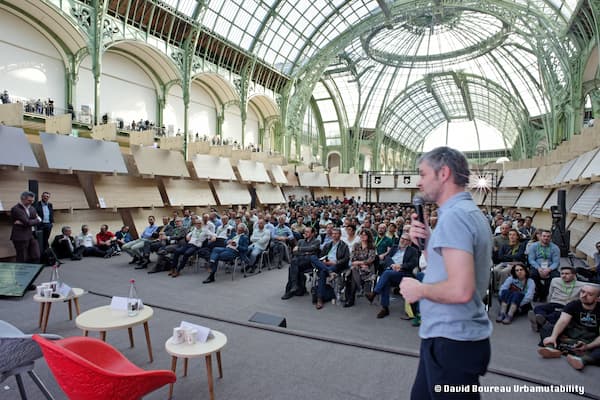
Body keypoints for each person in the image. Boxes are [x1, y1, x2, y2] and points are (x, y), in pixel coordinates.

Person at [400, 146, 493, 400]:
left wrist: (419, 289)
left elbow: (461, 290)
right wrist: (428, 242)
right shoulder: (466, 213)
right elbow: (447, 270)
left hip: (452, 341)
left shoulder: (455, 218)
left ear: (443, 173)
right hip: (445, 336)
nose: (419, 182)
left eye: (423, 174)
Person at [538, 284, 600, 370]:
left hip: (591, 339)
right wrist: (553, 337)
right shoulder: (573, 304)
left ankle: (583, 360)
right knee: (548, 328)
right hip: (572, 334)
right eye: (582, 292)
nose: (584, 295)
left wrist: (588, 346)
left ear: (598, 298)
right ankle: (551, 348)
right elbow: (563, 321)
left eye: (589, 294)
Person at [366, 233, 419, 318]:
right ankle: (385, 308)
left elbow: (413, 263)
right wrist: (392, 265)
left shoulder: (413, 251)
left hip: (403, 273)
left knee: (386, 274)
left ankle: (374, 293)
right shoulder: (394, 247)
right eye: (402, 238)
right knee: (386, 280)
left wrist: (400, 266)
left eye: (405, 240)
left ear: (409, 242)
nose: (402, 240)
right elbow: (387, 258)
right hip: (391, 270)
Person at [528, 265, 584, 332]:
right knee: (538, 308)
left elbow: (594, 287)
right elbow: (550, 293)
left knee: (556, 314)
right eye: (562, 273)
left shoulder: (581, 285)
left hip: (566, 306)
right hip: (554, 303)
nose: (564, 276)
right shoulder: (555, 280)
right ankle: (542, 320)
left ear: (574, 275)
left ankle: (540, 321)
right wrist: (549, 302)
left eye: (567, 274)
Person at [311, 227, 350, 309]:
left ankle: (319, 299)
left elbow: (346, 259)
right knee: (313, 257)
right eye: (333, 234)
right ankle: (329, 271)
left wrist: (334, 262)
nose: (334, 235)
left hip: (336, 265)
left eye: (336, 234)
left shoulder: (344, 246)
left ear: (340, 235)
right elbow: (322, 256)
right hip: (326, 264)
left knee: (322, 272)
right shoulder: (328, 245)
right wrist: (324, 260)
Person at [281, 226, 321, 300]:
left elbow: (312, 248)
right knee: (293, 266)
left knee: (293, 265)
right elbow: (295, 252)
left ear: (312, 234)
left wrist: (300, 249)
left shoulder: (316, 241)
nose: (305, 233)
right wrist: (306, 252)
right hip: (299, 261)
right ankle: (296, 287)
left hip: (309, 263)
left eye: (307, 232)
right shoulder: (300, 241)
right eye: (305, 231)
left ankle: (291, 289)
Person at [343, 229, 376, 308]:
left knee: (351, 273)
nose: (363, 236)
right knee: (353, 271)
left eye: (365, 235)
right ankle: (360, 289)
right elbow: (352, 257)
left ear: (368, 236)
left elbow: (371, 259)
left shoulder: (372, 246)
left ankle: (351, 299)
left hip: (368, 268)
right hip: (357, 267)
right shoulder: (356, 245)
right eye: (361, 234)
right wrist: (360, 263)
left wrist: (359, 263)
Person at [528, 229, 561, 301]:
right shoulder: (534, 246)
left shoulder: (555, 248)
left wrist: (548, 269)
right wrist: (539, 268)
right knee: (531, 275)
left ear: (550, 238)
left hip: (550, 267)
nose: (546, 238)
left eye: (548, 236)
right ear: (540, 237)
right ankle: (538, 290)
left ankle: (544, 294)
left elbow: (556, 262)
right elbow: (531, 260)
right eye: (544, 236)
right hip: (537, 266)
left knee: (555, 277)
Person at [10, 191, 41, 263]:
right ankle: (21, 270)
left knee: (36, 255)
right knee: (22, 258)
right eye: (29, 200)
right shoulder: (16, 209)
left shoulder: (32, 208)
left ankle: (33, 270)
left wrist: (29, 222)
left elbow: (29, 222)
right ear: (22, 199)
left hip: (32, 235)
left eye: (33, 200)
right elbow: (27, 222)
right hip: (20, 236)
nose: (31, 202)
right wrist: (38, 219)